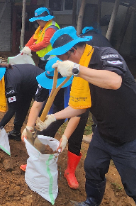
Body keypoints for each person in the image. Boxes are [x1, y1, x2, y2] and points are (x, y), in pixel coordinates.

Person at [37, 26, 136, 206]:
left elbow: (114, 81)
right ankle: (92, 202)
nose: (61, 61)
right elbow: (78, 107)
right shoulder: (79, 70)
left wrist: (76, 69)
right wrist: (53, 117)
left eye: (61, 57)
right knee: (92, 168)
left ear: (73, 51)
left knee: (134, 187)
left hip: (129, 135)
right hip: (104, 132)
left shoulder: (105, 55)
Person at [21, 57, 89, 190]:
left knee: (75, 139)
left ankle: (70, 171)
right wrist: (29, 127)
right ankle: (36, 162)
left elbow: (75, 115)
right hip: (56, 104)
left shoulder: (77, 82)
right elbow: (37, 104)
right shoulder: (45, 80)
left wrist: (64, 137)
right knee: (44, 132)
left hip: (78, 107)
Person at [0, 62, 42, 140]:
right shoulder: (1, 76)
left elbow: (12, 109)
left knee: (39, 113)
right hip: (25, 85)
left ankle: (38, 139)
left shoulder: (10, 84)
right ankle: (16, 132)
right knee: (22, 105)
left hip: (40, 83)